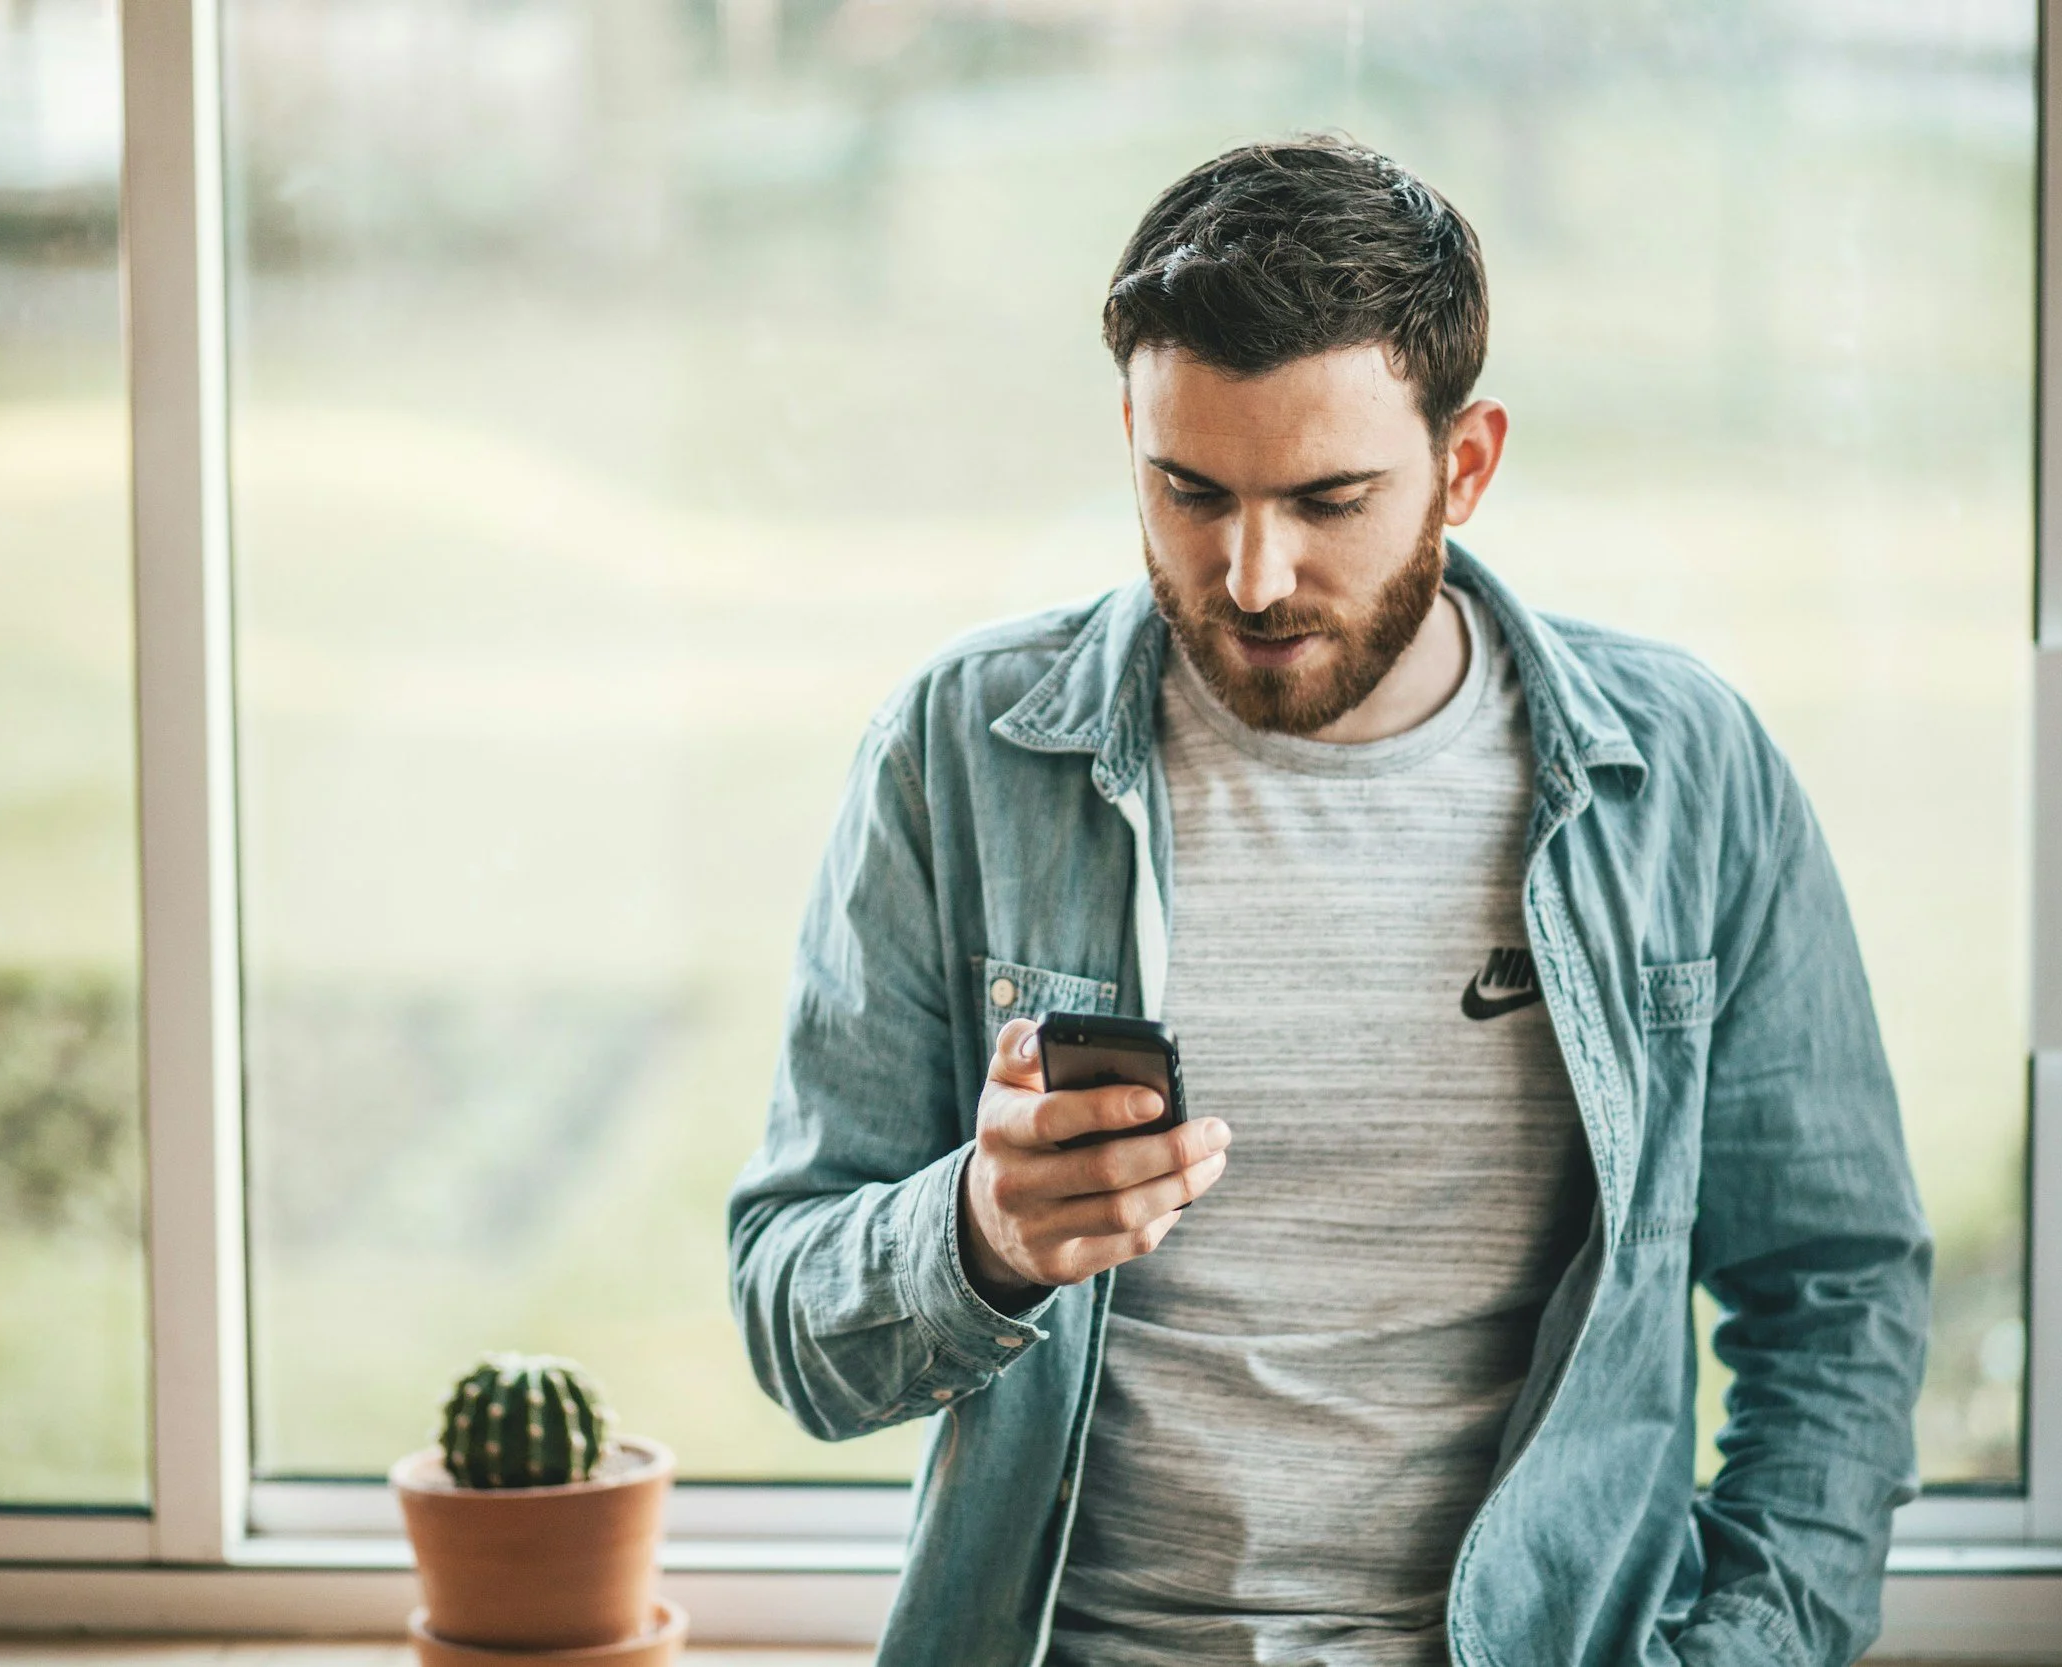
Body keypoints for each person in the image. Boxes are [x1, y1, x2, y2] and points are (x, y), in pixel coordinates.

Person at [726, 136, 1932, 1667]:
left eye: (1329, 499)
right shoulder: (959, 754)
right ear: (1129, 438)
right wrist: (978, 1234)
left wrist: (1748, 1649)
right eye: (1189, 490)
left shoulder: (1688, 779)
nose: (1248, 574)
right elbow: (792, 1316)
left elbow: (1835, 1292)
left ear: (1467, 465)